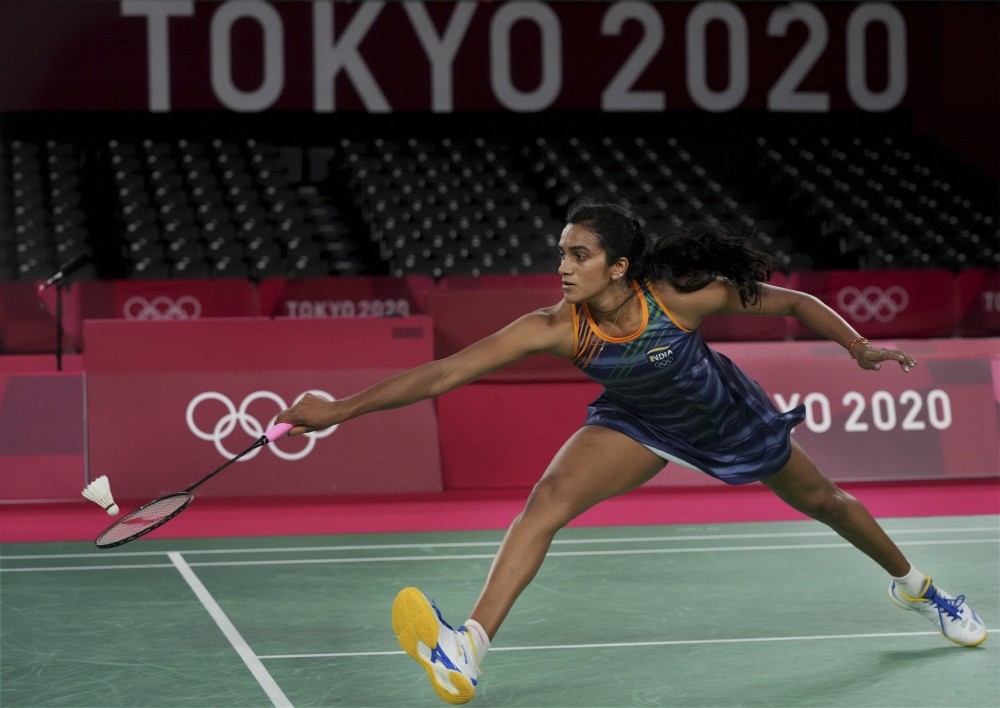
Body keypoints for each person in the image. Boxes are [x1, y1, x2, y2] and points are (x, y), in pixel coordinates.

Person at [276, 195, 987, 704]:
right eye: (561, 253)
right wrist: (341, 409)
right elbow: (444, 372)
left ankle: (921, 590)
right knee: (546, 502)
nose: (563, 266)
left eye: (578, 255)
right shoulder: (558, 326)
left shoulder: (679, 297)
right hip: (639, 423)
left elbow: (794, 302)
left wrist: (858, 347)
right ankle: (468, 645)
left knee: (828, 503)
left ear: (618, 266)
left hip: (724, 420)